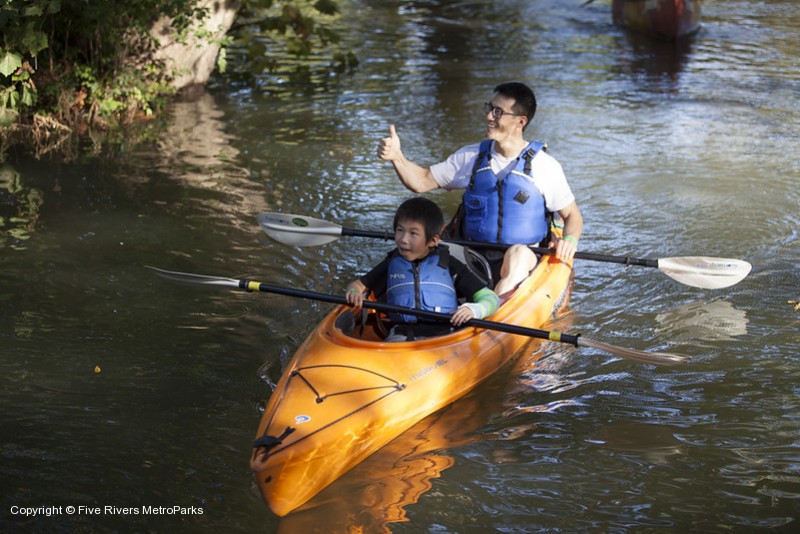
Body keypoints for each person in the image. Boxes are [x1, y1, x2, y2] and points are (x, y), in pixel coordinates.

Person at [376, 81, 583, 297]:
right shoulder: (471, 157)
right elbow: (422, 181)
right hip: (472, 253)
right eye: (489, 108)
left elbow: (572, 216)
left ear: (520, 121)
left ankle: (492, 313)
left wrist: (569, 240)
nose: (488, 117)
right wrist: (397, 158)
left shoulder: (545, 167)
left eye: (498, 112)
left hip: (525, 257)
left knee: (518, 255)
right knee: (433, 251)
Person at [345, 197, 500, 342]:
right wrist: (354, 293)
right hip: (400, 335)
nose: (403, 239)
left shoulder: (450, 264)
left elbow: (491, 299)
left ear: (432, 240)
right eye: (400, 230)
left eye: (413, 233)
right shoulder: (392, 262)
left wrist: (475, 310)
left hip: (445, 337)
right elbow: (357, 285)